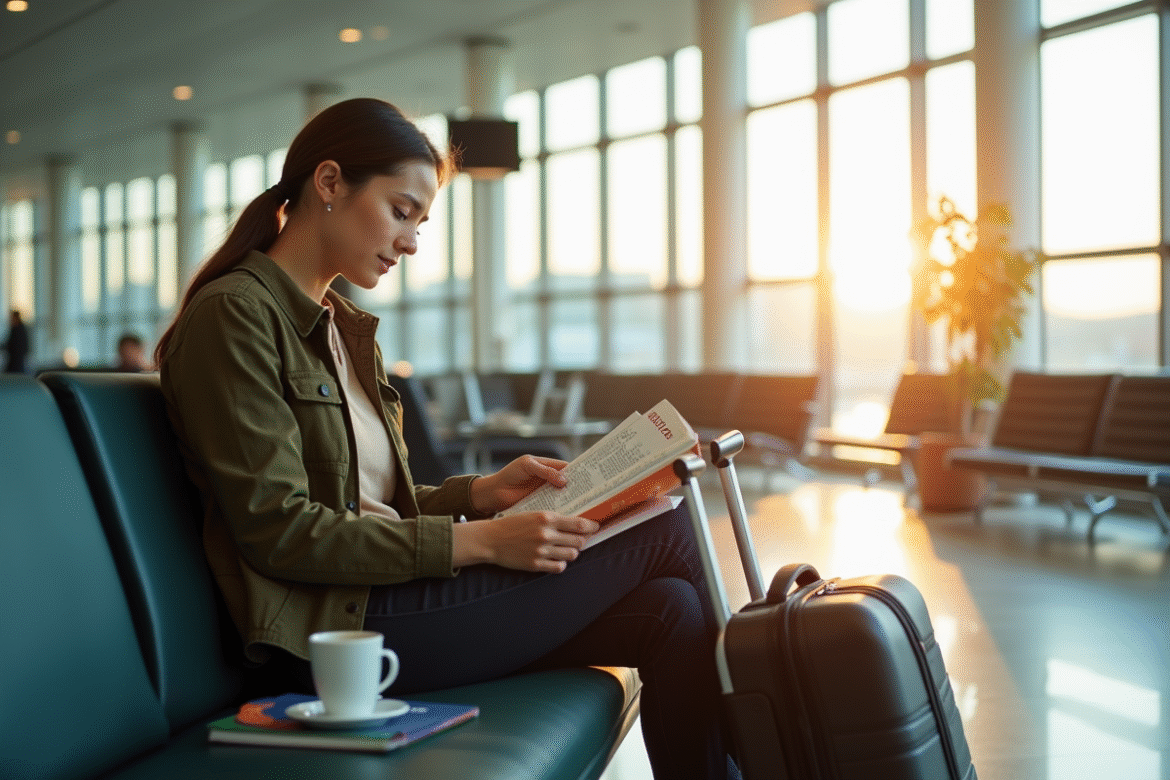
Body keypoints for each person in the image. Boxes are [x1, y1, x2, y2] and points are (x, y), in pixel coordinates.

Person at [154, 98, 735, 780]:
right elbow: (283, 531)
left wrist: (481, 495)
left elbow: (370, 507)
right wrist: (484, 538)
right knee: (664, 536)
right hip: (331, 632)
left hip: (384, 595)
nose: (410, 242)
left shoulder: (343, 329)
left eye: (419, 223)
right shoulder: (237, 316)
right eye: (401, 212)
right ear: (331, 182)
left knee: (671, 607)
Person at [3, 309, 30, 374]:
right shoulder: (20, 328)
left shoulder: (17, 329)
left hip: (16, 359)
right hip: (17, 358)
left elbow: (12, 344)